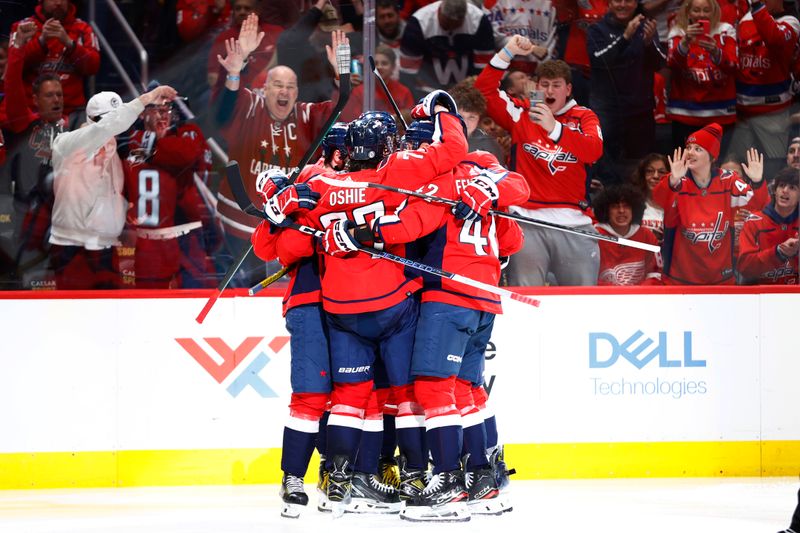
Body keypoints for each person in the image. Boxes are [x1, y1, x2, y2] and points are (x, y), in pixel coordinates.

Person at [273, 97, 468, 512]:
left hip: (341, 310)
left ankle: (342, 481)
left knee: (348, 396)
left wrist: (283, 207)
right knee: (408, 394)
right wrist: (444, 111)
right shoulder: (395, 173)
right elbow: (454, 153)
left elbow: (277, 246)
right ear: (384, 148)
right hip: (392, 305)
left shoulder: (318, 188)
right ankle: (416, 476)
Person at [249, 125, 349, 517]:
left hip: (358, 301)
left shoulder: (370, 181)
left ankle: (339, 473)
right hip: (311, 299)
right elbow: (266, 246)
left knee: (351, 397)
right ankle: (294, 476)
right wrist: (278, 207)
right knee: (311, 393)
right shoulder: (308, 180)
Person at [213, 17, 342, 286]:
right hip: (236, 229)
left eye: (290, 87)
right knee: (236, 303)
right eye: (277, 85)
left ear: (297, 93)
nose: (284, 91)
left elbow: (339, 113)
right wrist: (235, 71)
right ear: (264, 89)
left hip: (281, 231)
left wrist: (342, 78)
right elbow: (223, 112)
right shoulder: (250, 106)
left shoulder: (306, 115)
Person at [475, 39, 604, 286]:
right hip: (527, 221)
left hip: (574, 223)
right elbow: (483, 91)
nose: (550, 91)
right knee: (526, 299)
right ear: (536, 86)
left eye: (556, 85)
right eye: (544, 84)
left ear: (568, 89)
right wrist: (508, 51)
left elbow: (593, 151)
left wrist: (554, 129)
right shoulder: (521, 114)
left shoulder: (584, 116)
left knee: (582, 304)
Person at [48, 84, 178, 289]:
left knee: (110, 315)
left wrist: (124, 213)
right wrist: (145, 99)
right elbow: (105, 127)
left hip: (106, 247)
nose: (116, 128)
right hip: (72, 246)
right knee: (71, 315)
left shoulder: (113, 147)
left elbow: (110, 193)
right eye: (109, 119)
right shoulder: (65, 144)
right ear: (93, 120)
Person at [654, 123, 770, 285]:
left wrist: (757, 182)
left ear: (712, 157)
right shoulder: (679, 180)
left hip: (721, 280)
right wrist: (673, 179)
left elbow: (759, 205)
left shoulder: (728, 181)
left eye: (698, 149)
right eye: (689, 147)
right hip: (680, 280)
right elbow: (658, 200)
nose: (690, 152)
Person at [0, 23, 66, 288]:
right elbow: (13, 87)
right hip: (26, 217)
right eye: (49, 95)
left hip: (61, 216)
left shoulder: (72, 128)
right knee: (29, 281)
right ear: (36, 99)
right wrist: (16, 49)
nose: (56, 100)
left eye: (59, 94)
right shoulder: (25, 124)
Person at [122, 100, 211, 288]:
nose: (163, 113)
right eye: (156, 108)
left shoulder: (185, 136)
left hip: (186, 236)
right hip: (148, 243)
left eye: (168, 109)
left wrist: (150, 145)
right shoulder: (129, 141)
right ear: (142, 113)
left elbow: (189, 154)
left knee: (194, 299)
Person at [587, 0, 664, 182]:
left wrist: (648, 43)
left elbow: (660, 63)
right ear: (610, 3)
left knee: (641, 168)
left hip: (639, 110)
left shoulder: (647, 28)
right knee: (605, 168)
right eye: (617, 0)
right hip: (606, 110)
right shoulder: (596, 29)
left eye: (628, 0)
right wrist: (625, 38)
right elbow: (599, 60)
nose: (622, 5)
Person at [728, 0, 800, 178]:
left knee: (774, 166)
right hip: (743, 110)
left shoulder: (791, 22)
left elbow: (774, 39)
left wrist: (758, 8)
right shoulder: (745, 19)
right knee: (742, 165)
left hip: (773, 112)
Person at [666, 0, 737, 152]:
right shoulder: (678, 32)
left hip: (720, 113)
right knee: (685, 165)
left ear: (714, 12)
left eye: (706, 10)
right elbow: (672, 64)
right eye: (696, 10)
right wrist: (685, 42)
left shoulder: (726, 30)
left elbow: (733, 65)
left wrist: (716, 52)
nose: (701, 15)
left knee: (719, 165)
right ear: (688, 12)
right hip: (685, 113)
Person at [9, 0, 100, 117]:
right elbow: (12, 69)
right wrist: (41, 41)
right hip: (32, 113)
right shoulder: (23, 28)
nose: (58, 3)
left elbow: (93, 66)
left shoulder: (83, 29)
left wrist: (69, 43)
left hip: (73, 113)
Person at [399, 0, 495, 100]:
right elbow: (407, 72)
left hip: (467, 91)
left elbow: (484, 67)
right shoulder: (420, 22)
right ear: (440, 12)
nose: (451, 28)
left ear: (464, 17)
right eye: (447, 24)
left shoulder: (478, 20)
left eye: (456, 25)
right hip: (428, 91)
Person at [206, 0, 282, 99]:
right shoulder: (223, 39)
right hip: (236, 98)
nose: (242, 12)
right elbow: (213, 78)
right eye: (238, 9)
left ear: (257, 11)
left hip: (272, 93)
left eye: (247, 8)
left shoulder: (277, 32)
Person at [738, 167, 799, 284]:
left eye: (792, 187)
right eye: (781, 185)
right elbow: (744, 268)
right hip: (760, 297)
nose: (785, 190)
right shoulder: (753, 222)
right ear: (775, 191)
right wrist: (779, 252)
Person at [593, 183, 662, 285]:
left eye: (626, 206)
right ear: (606, 211)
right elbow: (589, 275)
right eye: (615, 207)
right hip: (606, 297)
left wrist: (639, 292)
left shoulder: (646, 235)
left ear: (634, 209)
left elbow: (655, 272)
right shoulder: (595, 236)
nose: (621, 211)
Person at [340, 44, 414, 122]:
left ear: (393, 67)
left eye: (384, 63)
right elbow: (354, 120)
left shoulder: (404, 91)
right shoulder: (359, 91)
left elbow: (411, 119)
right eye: (376, 63)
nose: (379, 67)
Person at [483, 0, 558, 75]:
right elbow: (496, 37)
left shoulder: (551, 4)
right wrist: (531, 48)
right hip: (504, 72)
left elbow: (552, 41)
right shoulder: (493, 2)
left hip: (539, 73)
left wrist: (543, 72)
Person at [448, 77, 505, 161]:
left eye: (472, 117)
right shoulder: (429, 137)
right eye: (460, 116)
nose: (465, 123)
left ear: (479, 119)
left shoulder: (490, 147)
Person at [630, 153, 670, 241]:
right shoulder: (632, 204)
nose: (655, 176)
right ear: (642, 175)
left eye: (661, 172)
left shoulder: (676, 206)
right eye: (649, 171)